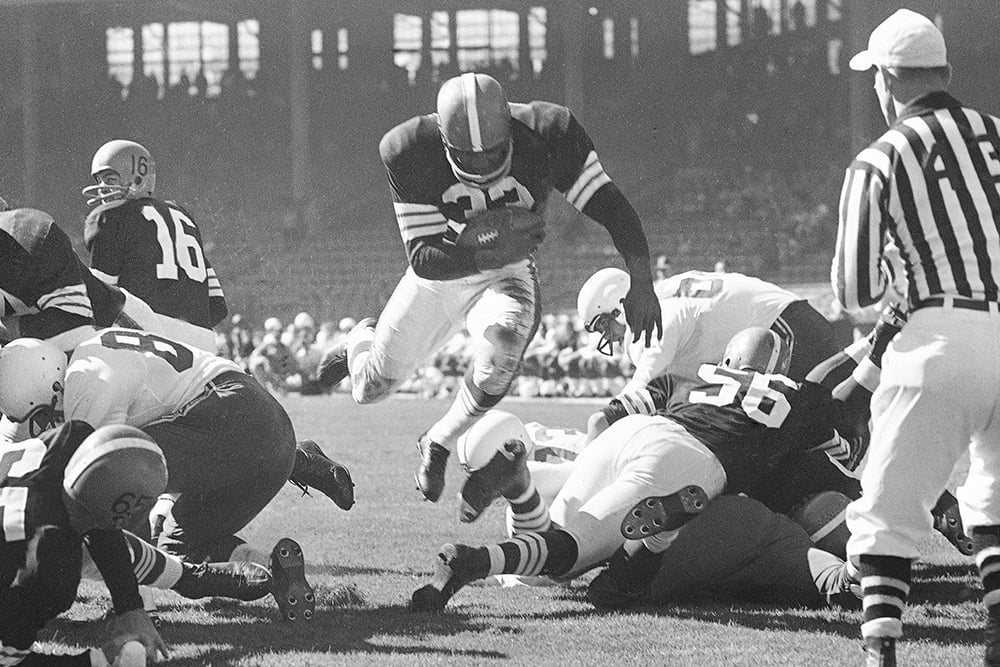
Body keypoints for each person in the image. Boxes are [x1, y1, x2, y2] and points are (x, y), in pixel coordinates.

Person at [319, 72, 662, 503]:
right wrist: (485, 248)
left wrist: (642, 279)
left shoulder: (549, 131)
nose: (481, 168)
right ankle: (360, 341)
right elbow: (424, 259)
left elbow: (610, 204)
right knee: (368, 390)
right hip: (442, 272)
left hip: (507, 273)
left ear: (511, 138)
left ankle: (438, 441)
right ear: (443, 142)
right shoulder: (407, 148)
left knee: (502, 350)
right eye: (468, 158)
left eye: (494, 155)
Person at [411, 328, 855, 611]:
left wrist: (587, 464)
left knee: (551, 545)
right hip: (692, 464)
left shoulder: (692, 376)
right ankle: (476, 559)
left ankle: (520, 488)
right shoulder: (797, 396)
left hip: (637, 431)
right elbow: (842, 450)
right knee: (568, 555)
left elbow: (606, 417)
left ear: (729, 359)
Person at [832, 9, 1000, 665]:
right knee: (992, 499)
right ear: (946, 74)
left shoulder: (880, 157)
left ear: (885, 81)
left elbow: (853, 291)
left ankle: (881, 649)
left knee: (887, 511)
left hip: (938, 338)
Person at [0, 332, 354, 620]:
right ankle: (274, 571)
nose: (47, 427)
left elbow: (109, 492)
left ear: (54, 389)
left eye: (43, 417)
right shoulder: (93, 351)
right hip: (263, 430)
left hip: (232, 411)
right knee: (176, 546)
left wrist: (133, 605)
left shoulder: (85, 385)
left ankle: (144, 604)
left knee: (113, 478)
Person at [1, 421, 168, 666]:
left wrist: (130, 605)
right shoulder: (47, 562)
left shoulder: (73, 438)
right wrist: (97, 660)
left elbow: (97, 500)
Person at [577, 267, 843, 392]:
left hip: (785, 329)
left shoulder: (657, 314)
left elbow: (645, 378)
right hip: (791, 323)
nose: (606, 335)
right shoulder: (662, 294)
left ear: (619, 304)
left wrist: (613, 415)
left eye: (603, 324)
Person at [82, 139, 227, 351]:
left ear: (137, 178)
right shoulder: (183, 216)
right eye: (100, 181)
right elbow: (217, 305)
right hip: (204, 347)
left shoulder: (109, 217)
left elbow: (100, 301)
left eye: (110, 179)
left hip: (148, 341)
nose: (103, 189)